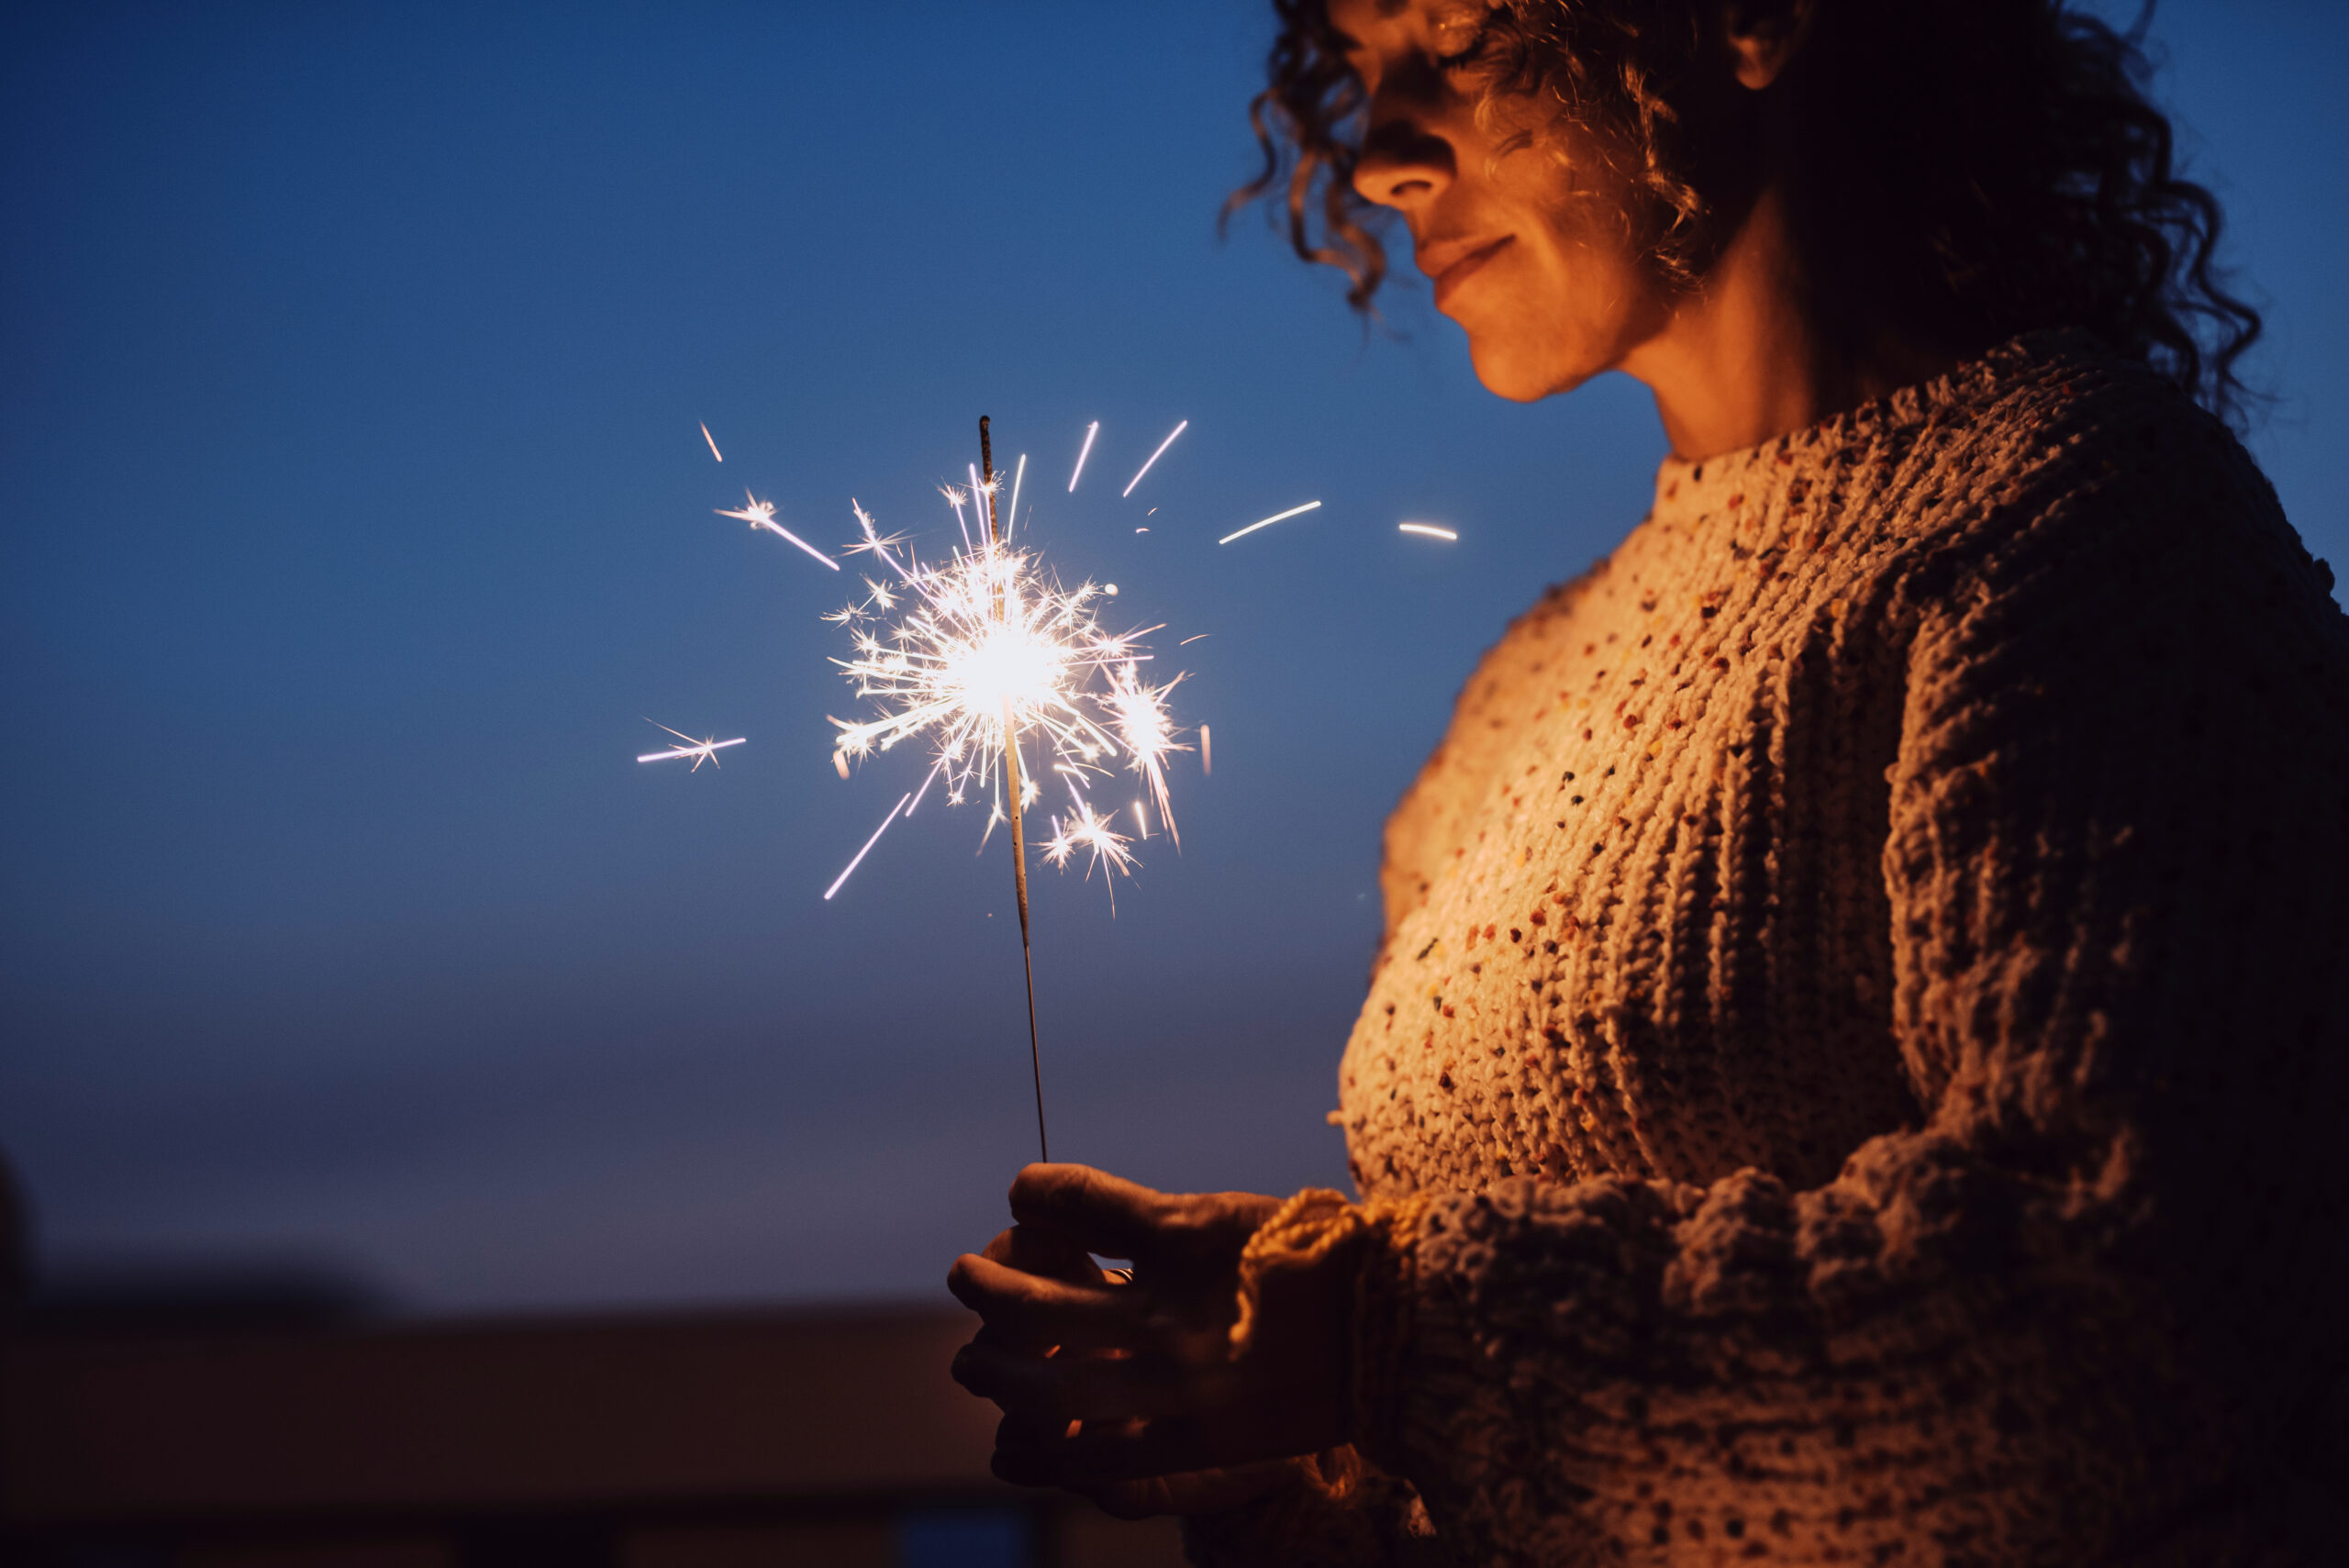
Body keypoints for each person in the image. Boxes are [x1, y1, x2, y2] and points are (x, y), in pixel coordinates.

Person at [951, 1, 2349, 1561]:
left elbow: (2130, 1304)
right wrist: (1276, 1448)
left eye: (1460, 34)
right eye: (1355, 72)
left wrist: (1368, 1341)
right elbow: (1520, 1471)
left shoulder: (2081, 531)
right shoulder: (1518, 702)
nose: (1380, 153)